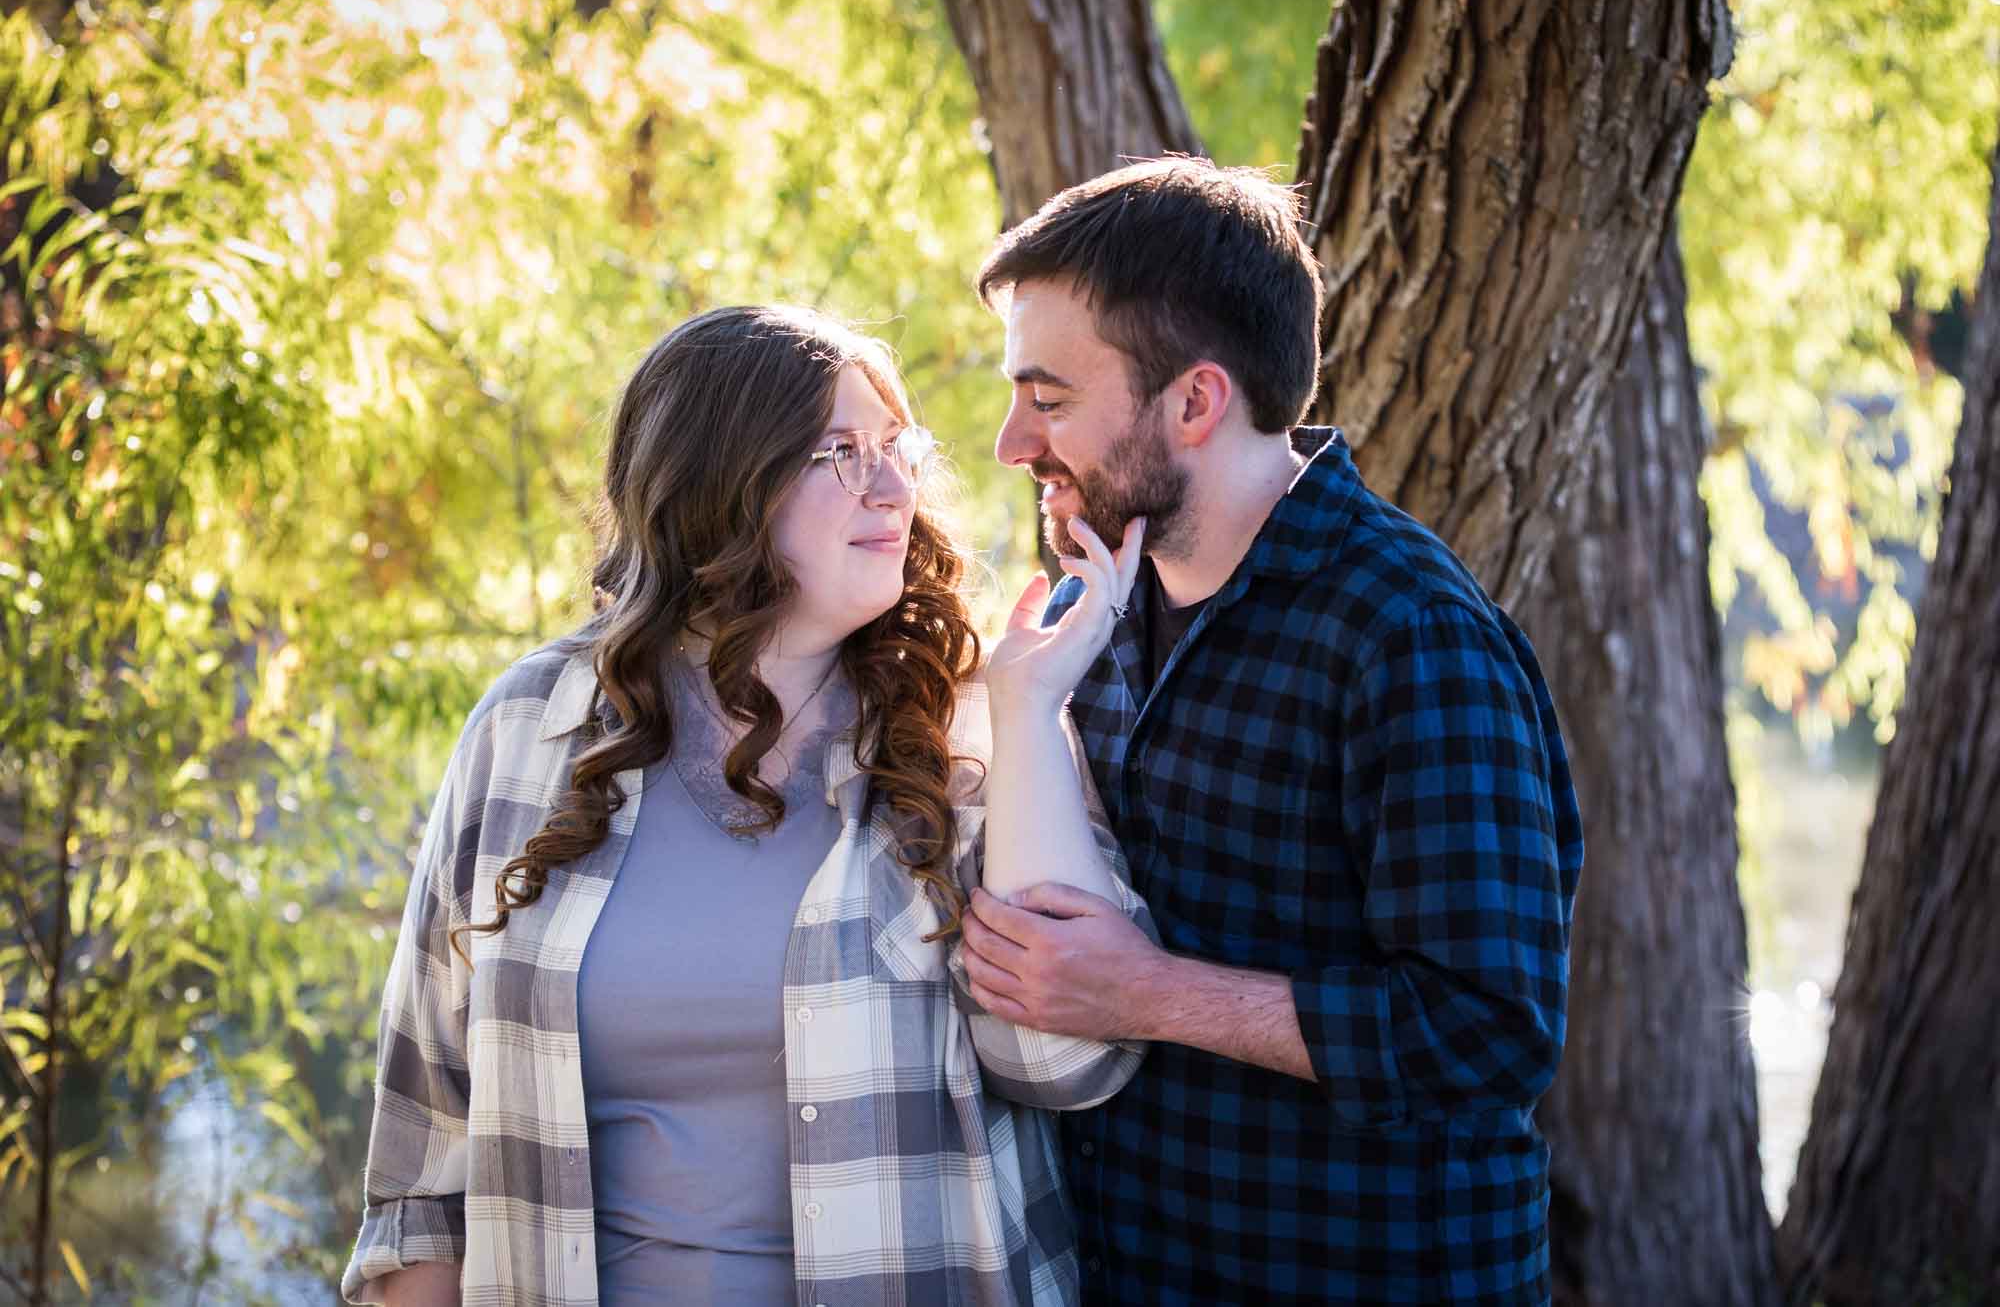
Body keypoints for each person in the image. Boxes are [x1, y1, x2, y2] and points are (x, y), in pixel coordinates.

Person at [340, 304, 1155, 1306]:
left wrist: (1028, 709)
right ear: (716, 484)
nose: (892, 487)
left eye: (896, 447)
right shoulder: (528, 728)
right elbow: (422, 1163)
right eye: (840, 453)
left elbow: (1065, 1061)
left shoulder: (977, 730)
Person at [959, 158, 1585, 1305]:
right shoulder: (1088, 612)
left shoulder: (1409, 631)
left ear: (1194, 403)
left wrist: (1146, 993)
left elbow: (1487, 1033)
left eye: (1046, 401)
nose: (1009, 443)